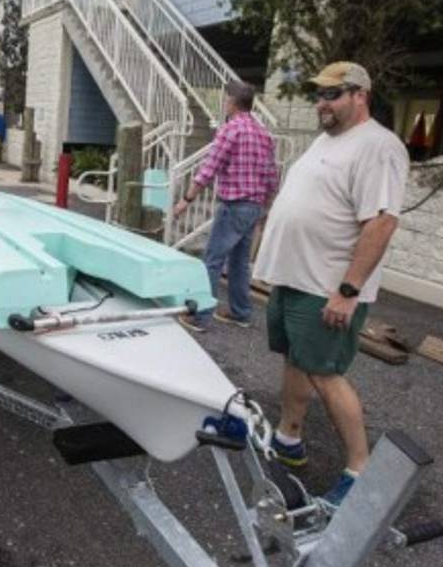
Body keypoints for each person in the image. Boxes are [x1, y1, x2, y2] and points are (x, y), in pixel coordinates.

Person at [252, 61, 409, 505]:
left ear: (360, 95)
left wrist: (348, 290)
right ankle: (288, 439)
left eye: (332, 95)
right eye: (318, 95)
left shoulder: (378, 146)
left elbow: (381, 222)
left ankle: (361, 471)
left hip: (328, 286)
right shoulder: (327, 139)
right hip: (294, 278)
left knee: (326, 373)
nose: (322, 103)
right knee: (296, 359)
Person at [172, 81, 277, 331]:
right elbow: (272, 175)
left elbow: (209, 169)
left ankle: (200, 316)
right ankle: (240, 313)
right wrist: (267, 207)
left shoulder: (231, 130)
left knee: (212, 260)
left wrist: (186, 200)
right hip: (254, 206)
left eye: (225, 99)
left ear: (230, 101)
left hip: (234, 205)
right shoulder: (263, 133)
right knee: (239, 262)